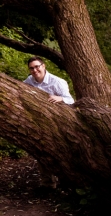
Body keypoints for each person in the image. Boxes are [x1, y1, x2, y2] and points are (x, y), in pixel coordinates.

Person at [24, 56, 75, 189]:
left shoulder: (57, 82)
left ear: (44, 66)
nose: (35, 70)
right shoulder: (29, 81)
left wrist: (60, 98)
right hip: (39, 122)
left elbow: (71, 101)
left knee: (59, 151)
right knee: (41, 150)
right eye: (32, 68)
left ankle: (65, 180)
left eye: (37, 66)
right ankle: (47, 183)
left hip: (58, 122)